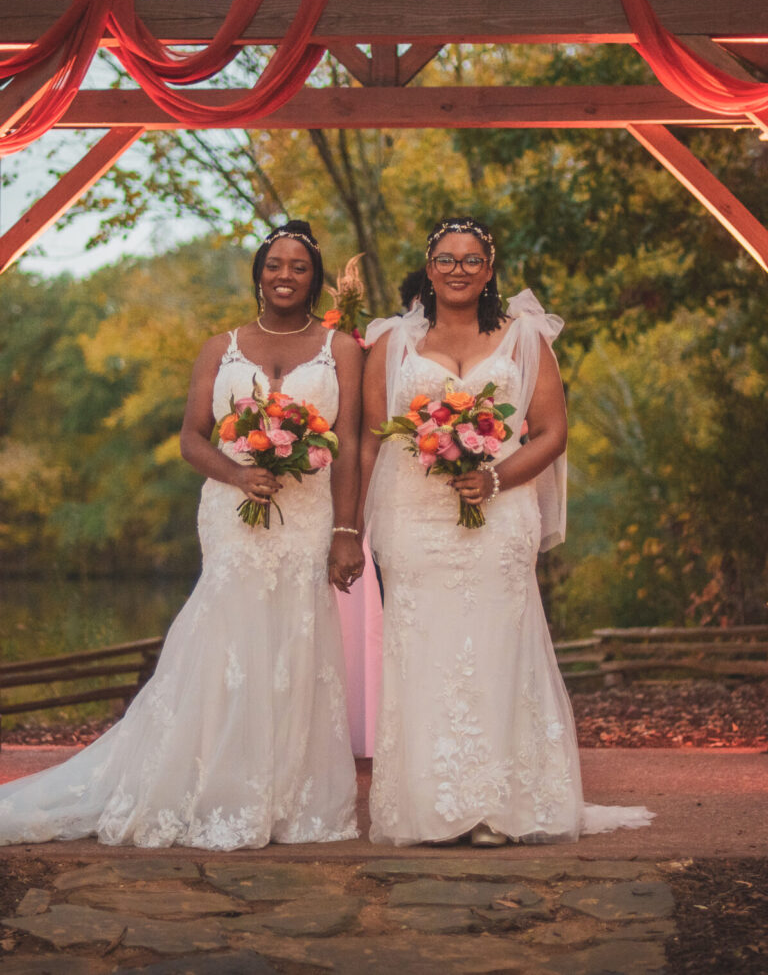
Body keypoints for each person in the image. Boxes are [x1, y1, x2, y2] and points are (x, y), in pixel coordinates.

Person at [0, 221, 364, 850]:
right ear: (258, 273)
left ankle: (286, 795)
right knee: (225, 636)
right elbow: (193, 436)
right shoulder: (218, 347)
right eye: (274, 264)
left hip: (305, 516)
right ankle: (215, 784)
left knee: (296, 641)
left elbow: (353, 443)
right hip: (230, 511)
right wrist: (237, 472)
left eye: (299, 266)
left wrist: (346, 531)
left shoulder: (344, 349)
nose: (285, 275)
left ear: (315, 276)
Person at [359, 217, 653, 847]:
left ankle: (497, 806)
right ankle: (431, 805)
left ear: (489, 271)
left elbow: (551, 431)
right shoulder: (391, 342)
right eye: (446, 258)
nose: (458, 269)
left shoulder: (524, 338)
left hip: (501, 510)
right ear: (429, 267)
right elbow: (369, 436)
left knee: (498, 644)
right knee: (424, 646)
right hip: (414, 515)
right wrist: (346, 524)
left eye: (471, 260)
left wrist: (494, 478)